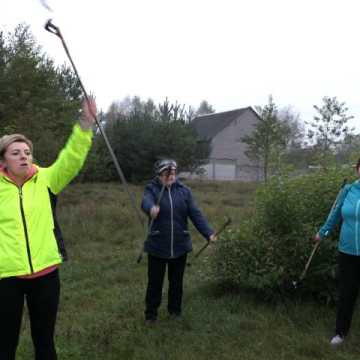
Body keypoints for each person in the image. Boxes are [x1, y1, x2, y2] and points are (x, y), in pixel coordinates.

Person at [0, 97, 96, 360]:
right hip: (6, 277)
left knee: (44, 343)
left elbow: (71, 158)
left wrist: (85, 125)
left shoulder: (47, 179)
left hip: (45, 275)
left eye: (27, 152)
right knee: (4, 344)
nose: (24, 156)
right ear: (4, 160)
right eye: (16, 152)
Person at [141, 159, 216, 324]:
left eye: (173, 173)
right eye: (167, 174)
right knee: (155, 283)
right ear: (159, 175)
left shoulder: (184, 191)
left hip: (180, 245)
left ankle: (175, 311)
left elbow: (196, 214)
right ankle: (151, 315)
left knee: (177, 283)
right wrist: (151, 209)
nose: (171, 176)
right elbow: (145, 202)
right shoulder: (152, 189)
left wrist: (208, 233)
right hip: (157, 245)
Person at [315, 160, 360, 346]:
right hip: (347, 251)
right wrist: (322, 232)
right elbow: (335, 214)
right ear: (357, 169)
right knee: (346, 294)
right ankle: (340, 333)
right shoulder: (348, 190)